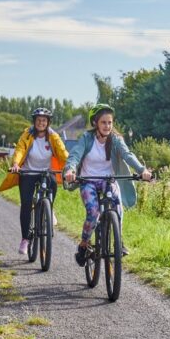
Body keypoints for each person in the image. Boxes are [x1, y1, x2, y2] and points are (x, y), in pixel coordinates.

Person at [63, 104, 153, 267]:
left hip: (108, 180)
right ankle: (84, 244)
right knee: (93, 211)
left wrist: (142, 170)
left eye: (110, 123)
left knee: (117, 205)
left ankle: (119, 240)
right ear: (95, 123)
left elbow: (128, 155)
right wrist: (70, 169)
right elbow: (75, 155)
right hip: (88, 181)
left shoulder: (116, 140)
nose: (107, 126)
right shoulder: (86, 138)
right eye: (103, 122)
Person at [0, 107, 69, 255]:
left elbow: (62, 152)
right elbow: (20, 150)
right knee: (26, 205)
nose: (41, 123)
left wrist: (71, 167)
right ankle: (25, 239)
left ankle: (49, 207)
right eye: (38, 120)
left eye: (44, 120)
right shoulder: (27, 134)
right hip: (28, 172)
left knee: (53, 183)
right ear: (34, 122)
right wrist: (16, 164)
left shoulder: (53, 136)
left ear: (48, 122)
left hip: (46, 171)